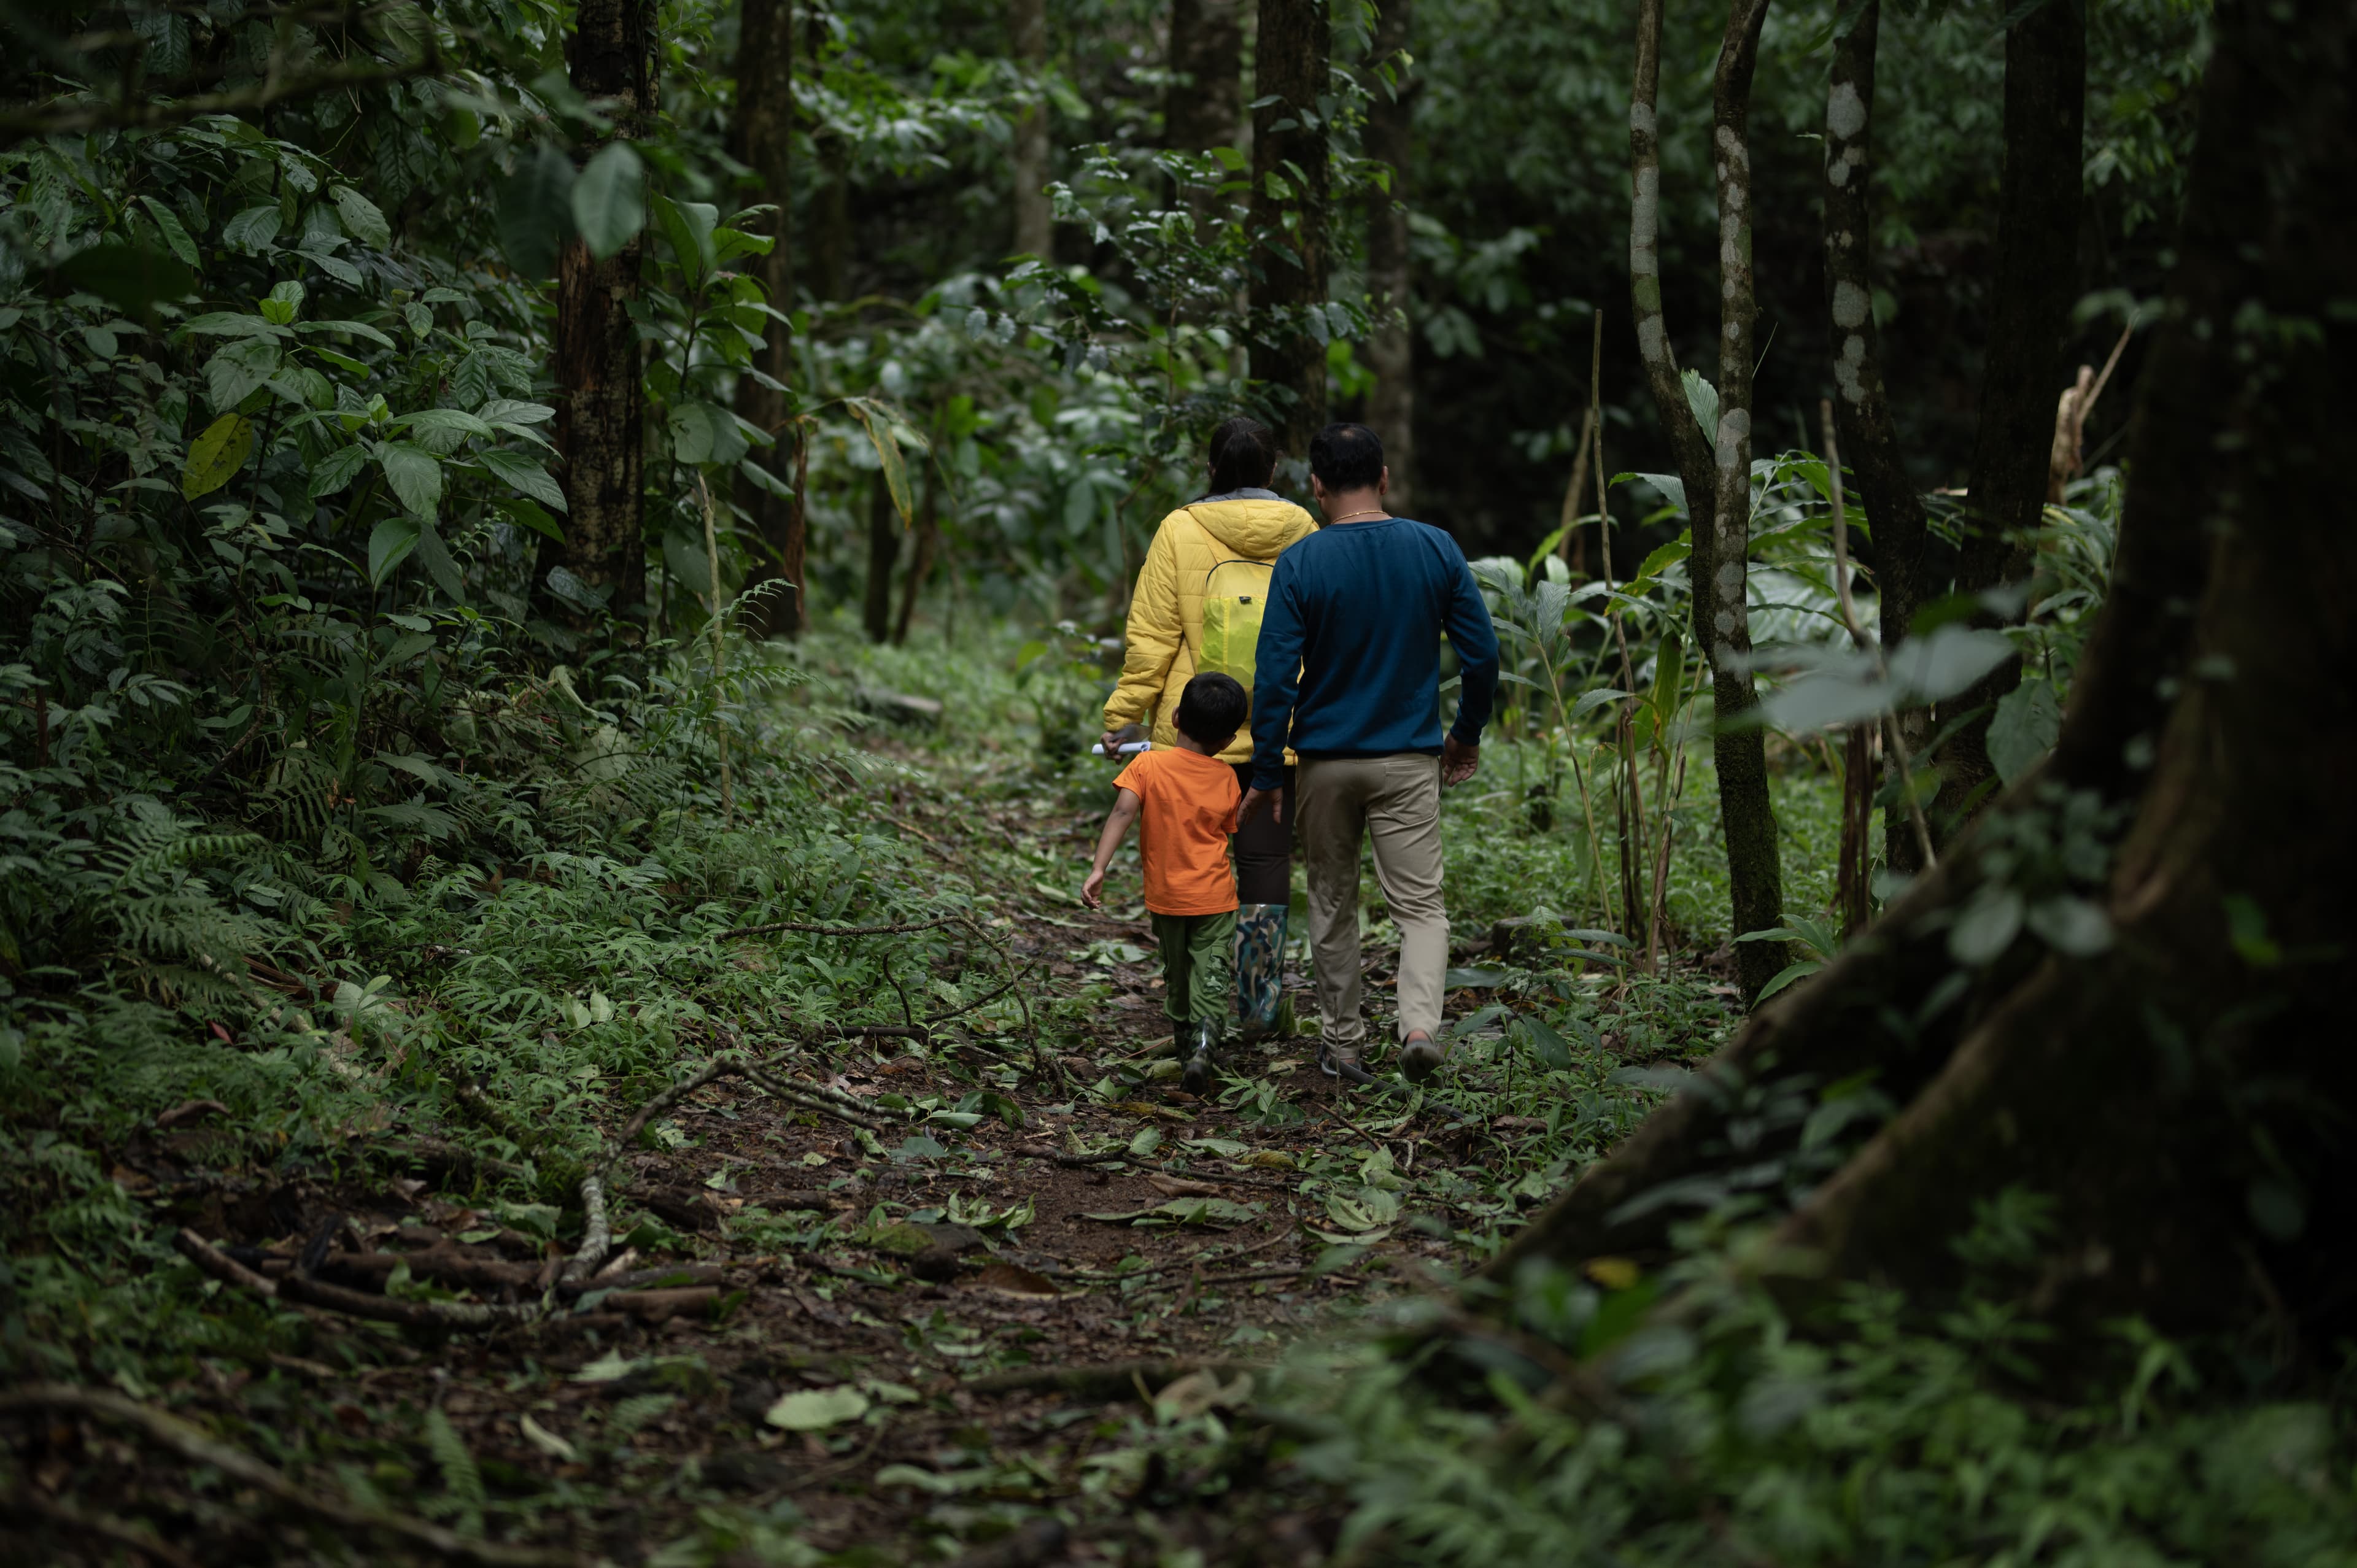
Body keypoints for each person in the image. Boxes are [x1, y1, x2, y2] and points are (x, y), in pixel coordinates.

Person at [1240, 423, 1500, 1085]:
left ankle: (1345, 1045)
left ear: (1318, 487)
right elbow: (1483, 655)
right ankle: (1417, 1026)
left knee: (1332, 899)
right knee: (1420, 907)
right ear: (1384, 478)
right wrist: (1465, 733)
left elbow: (1273, 676)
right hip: (1408, 758)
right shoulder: (1434, 547)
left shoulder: (1302, 560)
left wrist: (1268, 768)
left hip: (1325, 762)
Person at [1100, 417, 1318, 1043]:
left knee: (1189, 857)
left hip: (1196, 734)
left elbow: (1153, 634)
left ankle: (1195, 1004)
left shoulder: (1180, 527)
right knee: (1266, 861)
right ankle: (1257, 1000)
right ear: (1275, 470)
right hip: (1282, 726)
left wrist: (1125, 713)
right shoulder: (1303, 528)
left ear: (1211, 468)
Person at [1082, 673, 1251, 1095]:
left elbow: (1121, 814)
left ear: (1175, 717)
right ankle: (1205, 1048)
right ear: (1228, 741)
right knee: (1211, 975)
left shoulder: (1147, 764)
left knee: (1178, 976)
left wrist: (1099, 867)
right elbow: (1227, 828)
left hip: (1167, 899)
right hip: (1216, 898)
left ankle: (1184, 1048)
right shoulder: (1227, 778)